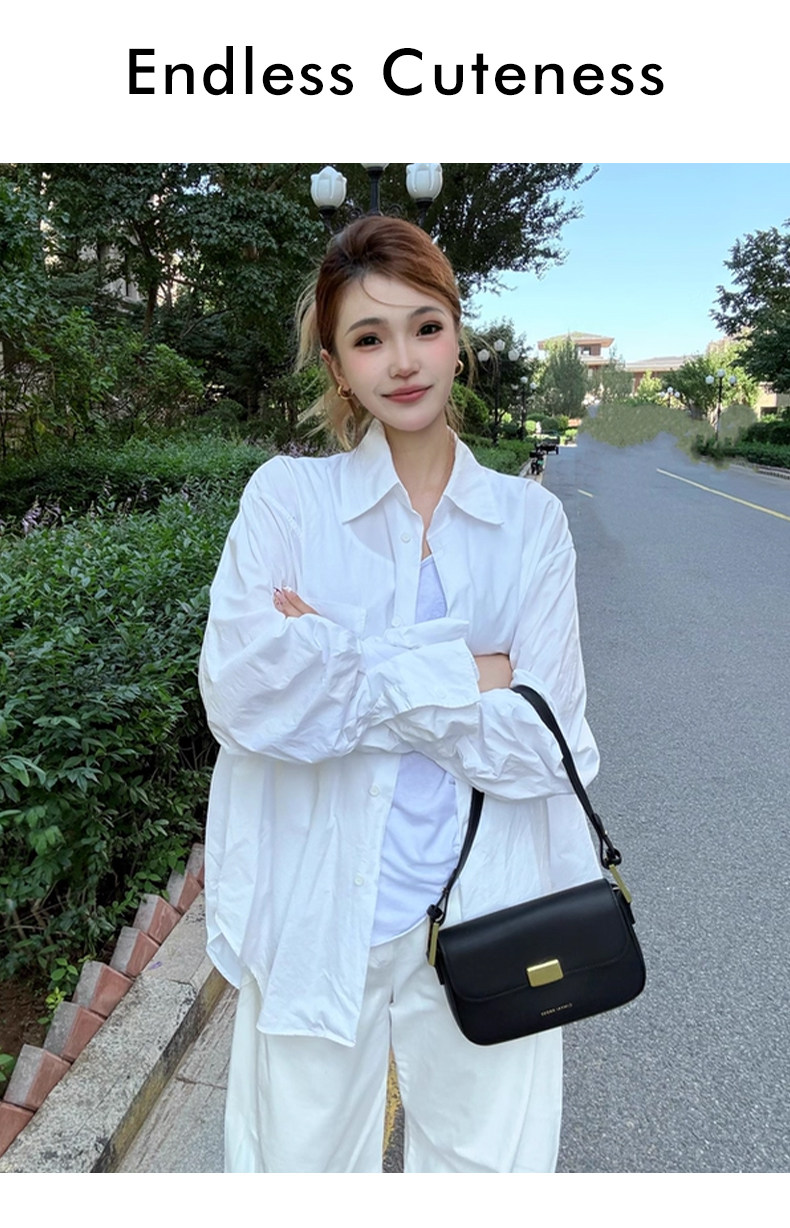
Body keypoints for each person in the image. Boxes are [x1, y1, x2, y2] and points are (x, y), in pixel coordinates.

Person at [198, 215, 602, 1173]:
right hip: (316, 911)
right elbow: (245, 697)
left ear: (458, 336)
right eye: (369, 338)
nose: (404, 361)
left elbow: (546, 745)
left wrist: (340, 659)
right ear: (338, 368)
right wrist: (474, 673)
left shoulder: (529, 524)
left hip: (490, 909)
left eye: (425, 326)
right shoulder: (286, 503)